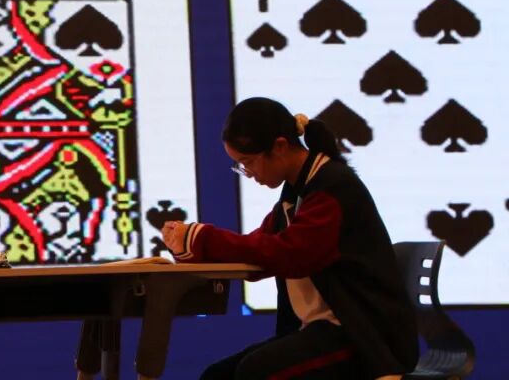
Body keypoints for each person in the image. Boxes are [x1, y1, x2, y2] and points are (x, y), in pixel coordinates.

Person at [162, 96, 418, 380]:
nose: (248, 174)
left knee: (253, 372)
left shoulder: (332, 187)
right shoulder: (295, 194)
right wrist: (189, 247)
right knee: (217, 376)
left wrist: (203, 238)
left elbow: (289, 254)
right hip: (326, 329)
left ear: (280, 146)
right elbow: (258, 252)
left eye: (248, 162)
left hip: (363, 335)